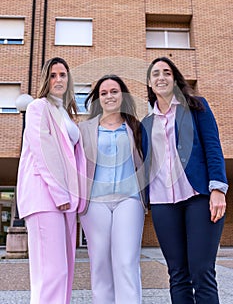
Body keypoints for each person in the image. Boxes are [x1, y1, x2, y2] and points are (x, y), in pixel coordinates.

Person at [141, 56, 228, 304]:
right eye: (155, 73)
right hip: (162, 202)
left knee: (202, 271)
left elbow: (213, 146)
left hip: (198, 196)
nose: (161, 77)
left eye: (166, 72)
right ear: (149, 82)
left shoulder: (196, 107)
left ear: (175, 79)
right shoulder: (146, 123)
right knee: (178, 274)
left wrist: (218, 188)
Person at [16, 57, 87, 304]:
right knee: (50, 273)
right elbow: (42, 152)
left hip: (66, 201)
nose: (58, 79)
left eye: (63, 75)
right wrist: (60, 194)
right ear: (46, 79)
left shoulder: (64, 113)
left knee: (63, 272)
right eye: (53, 75)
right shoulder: (38, 107)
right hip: (46, 198)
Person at [78, 74, 147, 304]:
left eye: (114, 91)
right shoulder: (84, 129)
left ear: (123, 95)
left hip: (130, 199)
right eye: (103, 93)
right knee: (100, 262)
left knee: (126, 261)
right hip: (95, 202)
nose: (109, 96)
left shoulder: (136, 127)